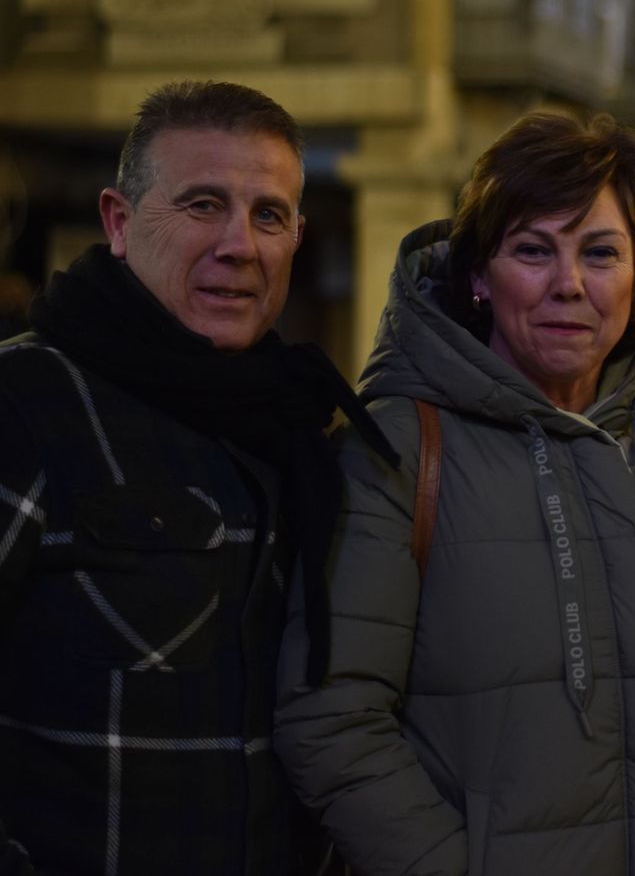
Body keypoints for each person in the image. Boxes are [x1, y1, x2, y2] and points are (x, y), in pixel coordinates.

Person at [274, 111, 635, 875]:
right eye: (532, 251)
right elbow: (331, 718)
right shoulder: (395, 450)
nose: (570, 285)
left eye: (601, 253)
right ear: (480, 276)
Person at [0, 80, 397, 875]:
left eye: (268, 215)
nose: (240, 245)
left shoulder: (300, 429)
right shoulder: (27, 404)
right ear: (119, 221)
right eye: (203, 205)